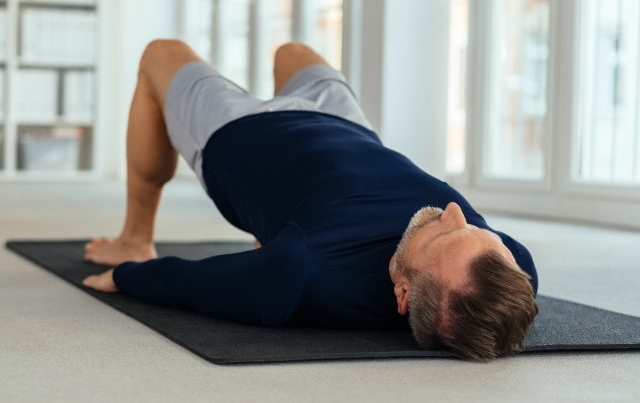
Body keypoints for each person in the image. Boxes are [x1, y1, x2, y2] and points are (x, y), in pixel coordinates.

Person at [82, 39, 539, 362]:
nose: (456, 212)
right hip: (347, 125)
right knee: (292, 53)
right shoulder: (510, 268)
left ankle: (133, 237)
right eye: (480, 231)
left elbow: (205, 283)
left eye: (444, 236)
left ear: (402, 294)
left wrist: (131, 275)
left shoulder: (304, 273)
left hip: (241, 134)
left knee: (159, 53)